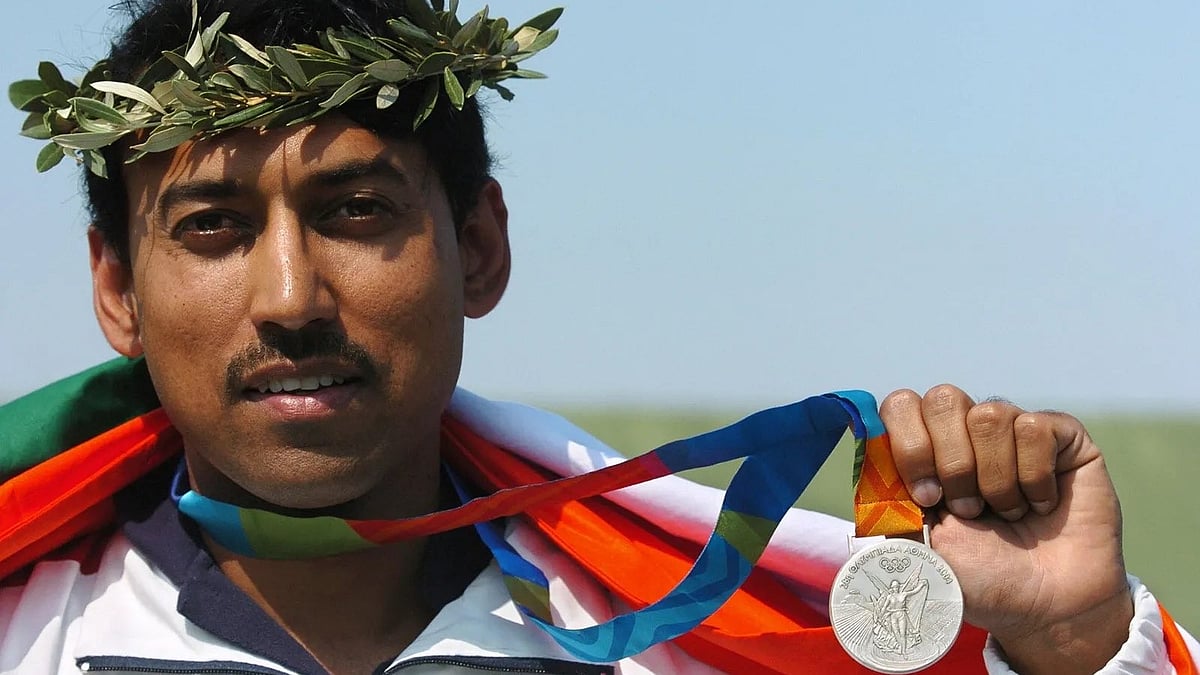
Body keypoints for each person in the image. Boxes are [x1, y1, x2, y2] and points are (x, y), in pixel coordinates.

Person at [0, 1, 1195, 673]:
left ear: (479, 247)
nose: (289, 295)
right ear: (119, 290)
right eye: (211, 227)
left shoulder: (690, 644)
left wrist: (1073, 640)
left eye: (355, 210)